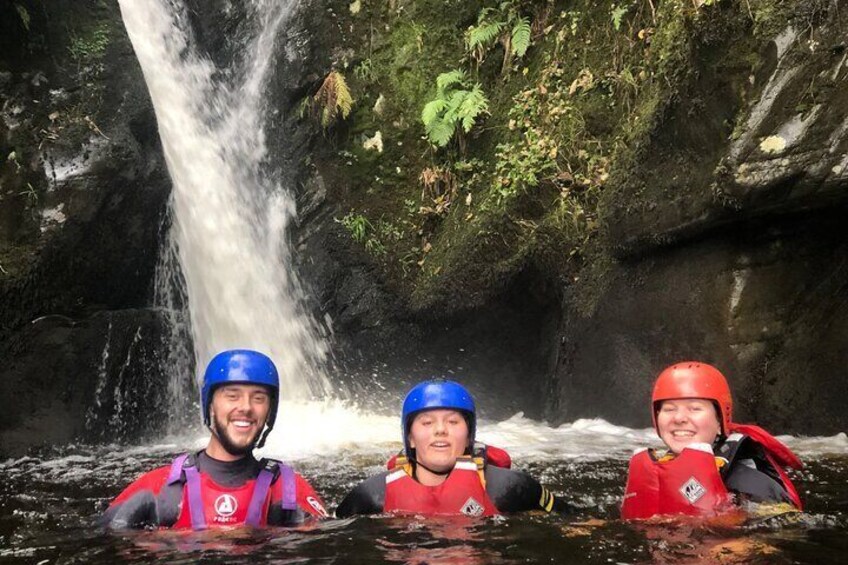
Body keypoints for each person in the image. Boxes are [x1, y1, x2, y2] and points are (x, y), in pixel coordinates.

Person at [101, 349, 328, 529]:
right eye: (232, 396)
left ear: (270, 410)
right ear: (210, 405)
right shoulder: (158, 488)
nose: (246, 407)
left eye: (258, 398)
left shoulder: (288, 490)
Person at [336, 379, 570, 517]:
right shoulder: (371, 496)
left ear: (469, 437)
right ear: (410, 438)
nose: (440, 430)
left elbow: (575, 522)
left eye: (453, 422)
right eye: (427, 422)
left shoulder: (507, 488)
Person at [621, 361, 803, 519]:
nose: (679, 418)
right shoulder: (658, 469)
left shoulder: (747, 480)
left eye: (694, 408)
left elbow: (781, 534)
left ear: (719, 421)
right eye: (669, 409)